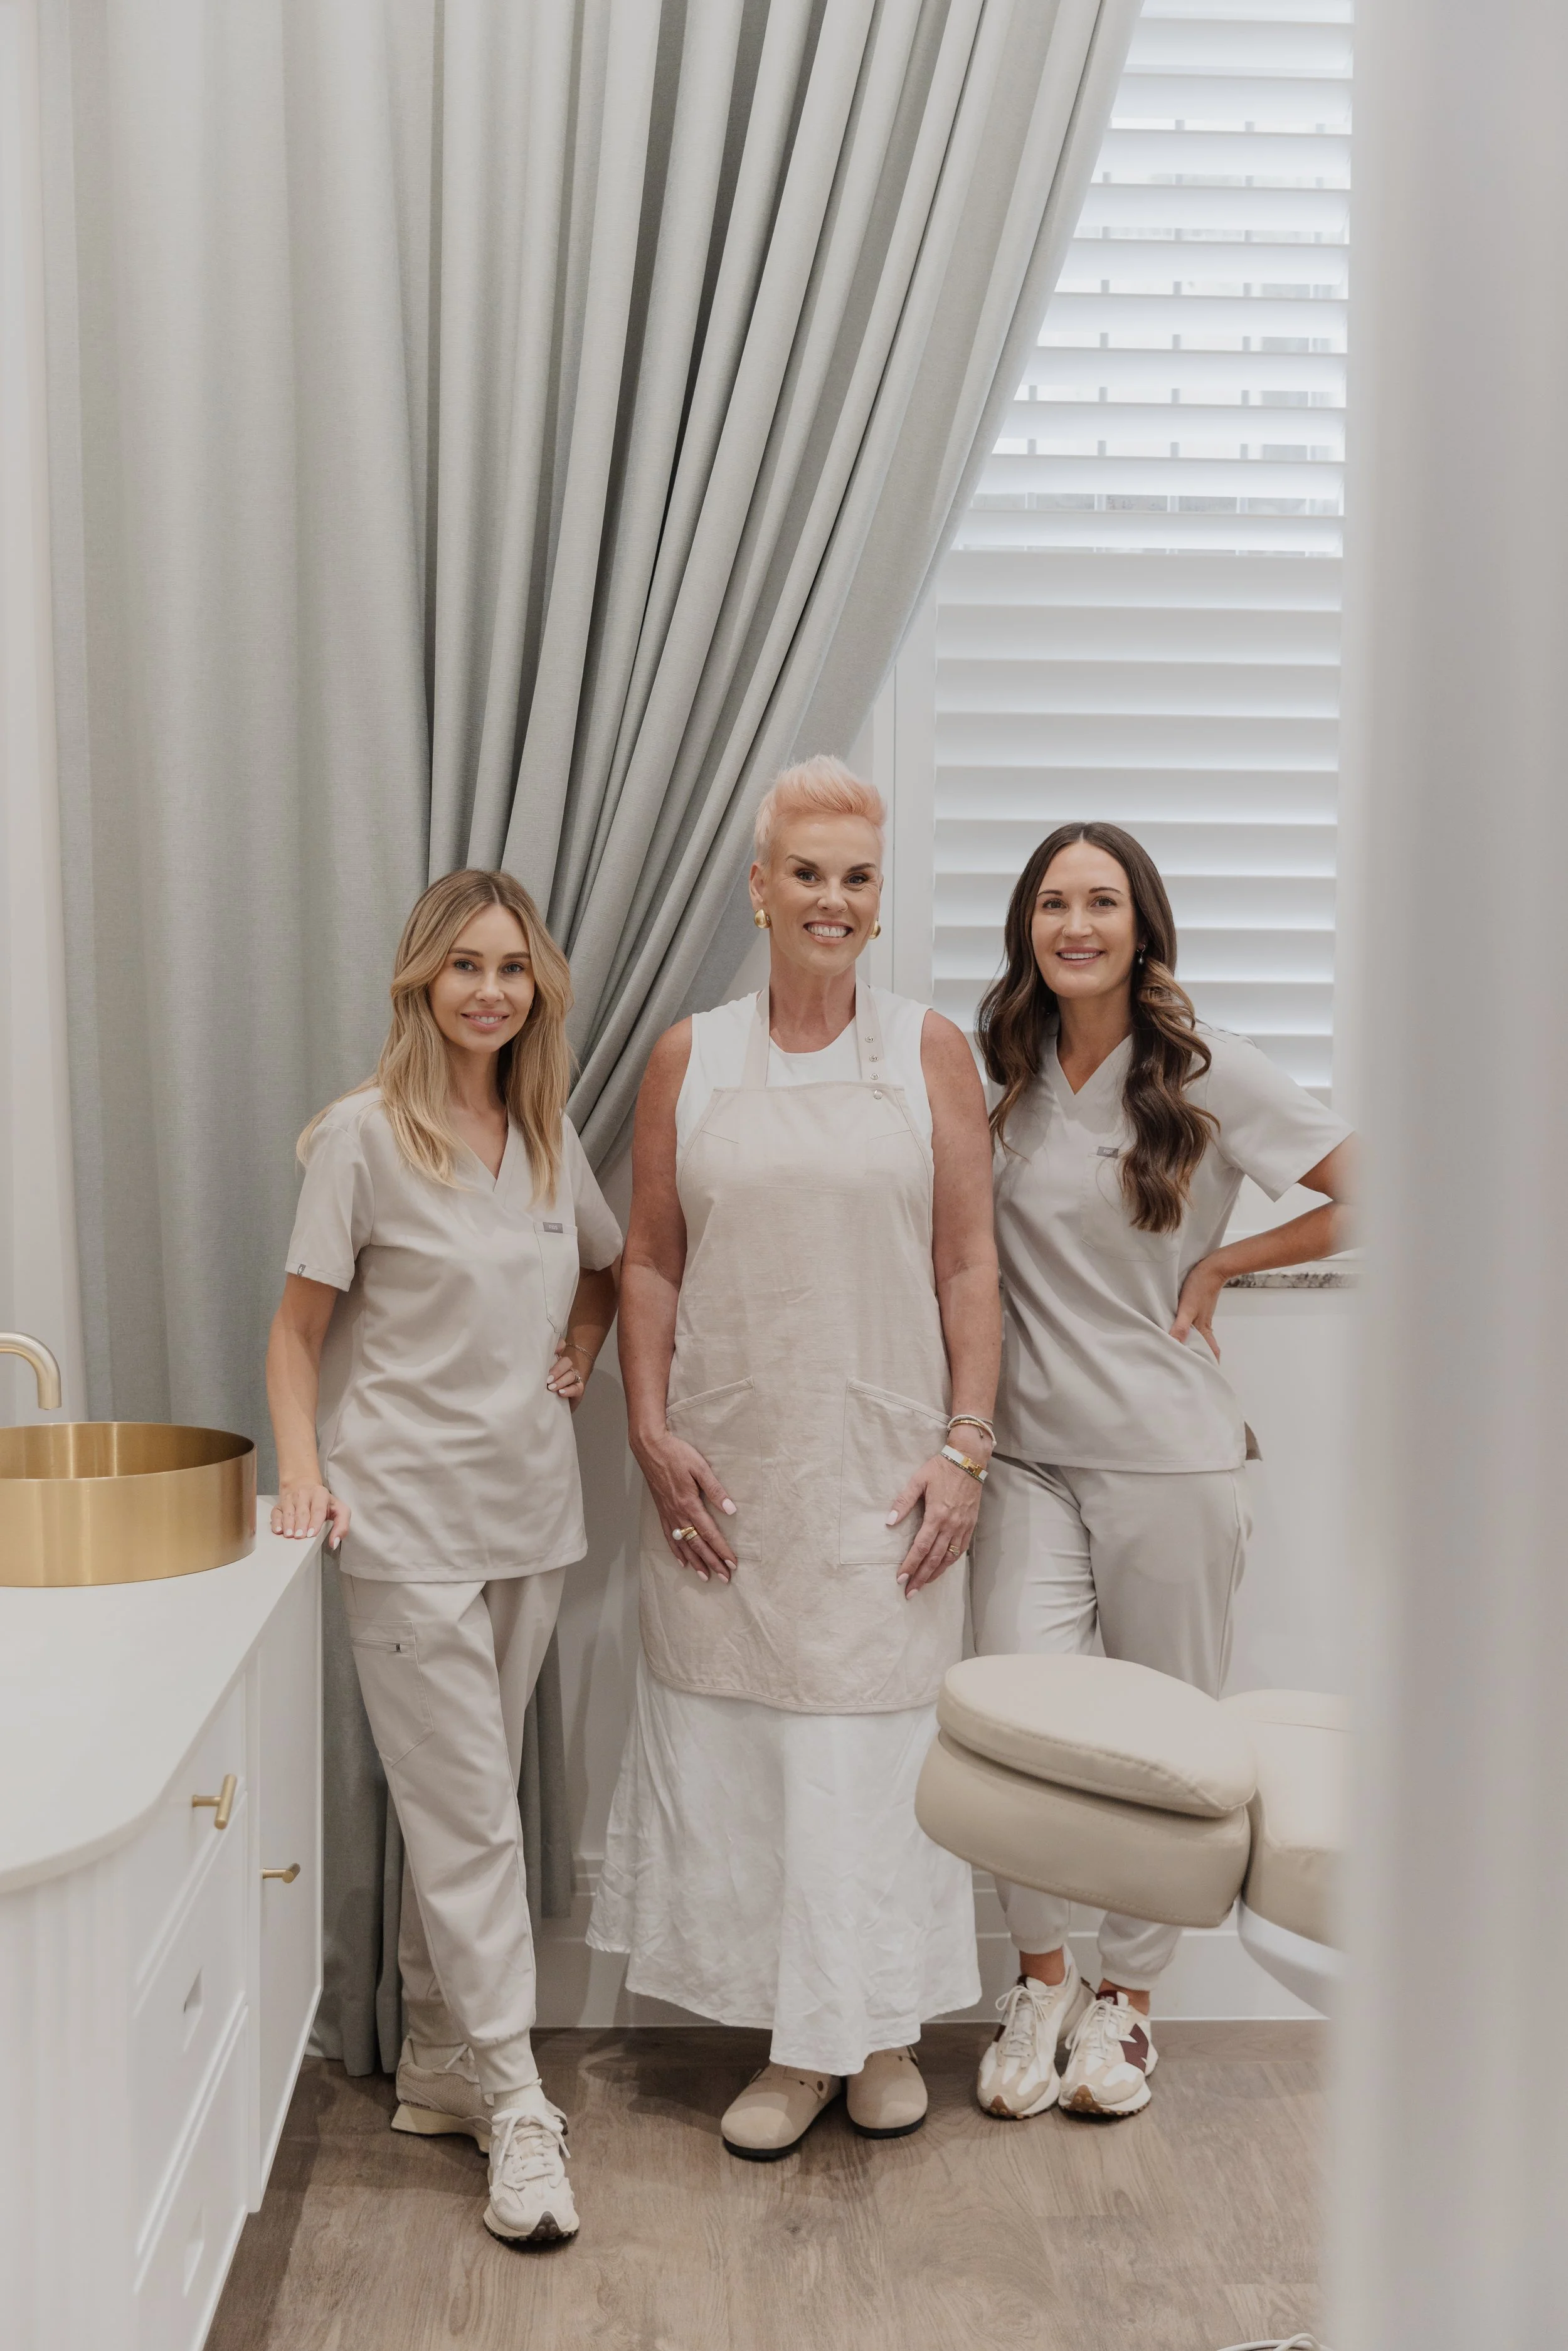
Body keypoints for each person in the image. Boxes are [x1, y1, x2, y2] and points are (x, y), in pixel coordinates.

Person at [587, 756, 1000, 2158]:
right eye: (808, 872)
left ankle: (871, 2031)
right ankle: (792, 2039)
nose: (832, 898)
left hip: (884, 1476)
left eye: (858, 877)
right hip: (731, 1473)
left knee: (868, 1765)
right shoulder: (689, 1056)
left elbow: (966, 1266)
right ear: (758, 887)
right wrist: (646, 1429)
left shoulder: (927, 1050)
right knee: (754, 1761)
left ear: (878, 903)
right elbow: (647, 1258)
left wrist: (964, 1448)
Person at [970, 822, 1353, 2123]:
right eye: (1052, 902)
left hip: (1172, 1460)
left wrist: (1222, 1263)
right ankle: (1038, 1979)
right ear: (1025, 923)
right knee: (1019, 1734)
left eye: (1102, 901)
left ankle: (1129, 2003)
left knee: (1167, 1745)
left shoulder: (1203, 1069)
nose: (1075, 923)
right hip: (1022, 1455)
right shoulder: (998, 1071)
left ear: (1141, 924)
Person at [266, 869, 622, 2247]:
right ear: (421, 981)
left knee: (460, 1809)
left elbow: (600, 1264)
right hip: (402, 1520)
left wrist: (582, 1346)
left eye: (512, 969)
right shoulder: (360, 1139)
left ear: (536, 990)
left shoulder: (540, 1136)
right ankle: (521, 2104)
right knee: (471, 1811)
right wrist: (303, 1472)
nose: (490, 989)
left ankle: (436, 2066)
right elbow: (296, 1333)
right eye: (464, 966)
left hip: (531, 1516)